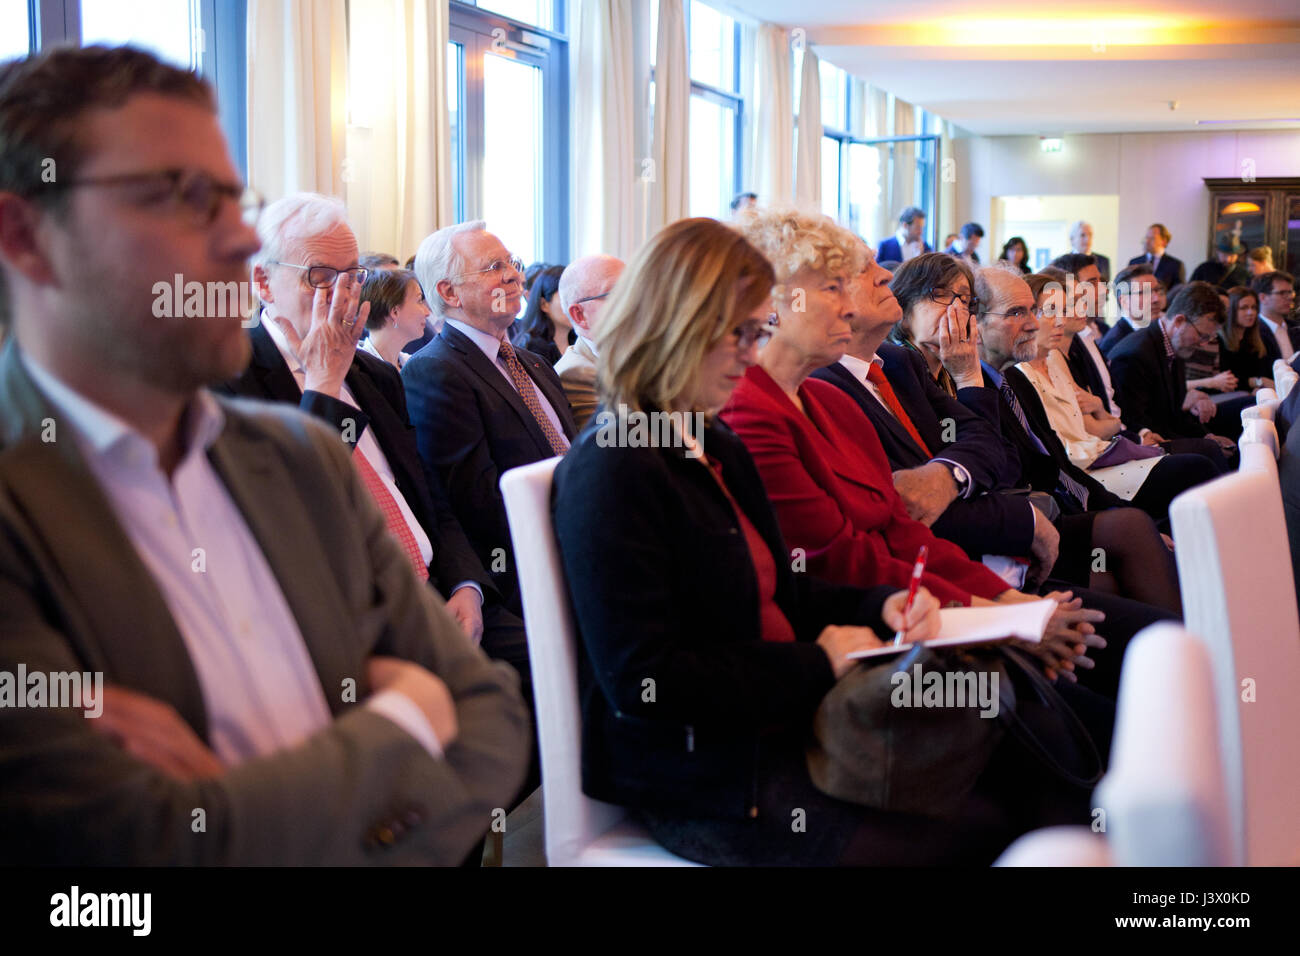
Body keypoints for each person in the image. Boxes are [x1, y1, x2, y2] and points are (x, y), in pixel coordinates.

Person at [0, 44, 528, 864]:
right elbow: (133, 858)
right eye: (180, 198)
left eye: (233, 200)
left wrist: (238, 793)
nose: (239, 244)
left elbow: (493, 721)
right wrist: (409, 717)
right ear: (26, 237)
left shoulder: (296, 456)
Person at [553, 216, 1095, 867]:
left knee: (1025, 736)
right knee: (1003, 809)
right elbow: (649, 682)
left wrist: (880, 608)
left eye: (759, 331)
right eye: (740, 334)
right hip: (711, 772)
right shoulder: (615, 465)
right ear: (676, 325)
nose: (752, 353)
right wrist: (821, 662)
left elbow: (789, 582)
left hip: (782, 714)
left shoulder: (708, 440)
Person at [815, 248, 1180, 613]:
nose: (959, 310)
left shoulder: (905, 364)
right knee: (1132, 544)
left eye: (965, 299)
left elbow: (998, 454)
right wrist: (1023, 524)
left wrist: (951, 470)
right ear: (906, 310)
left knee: (1133, 551)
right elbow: (916, 503)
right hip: (959, 559)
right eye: (942, 295)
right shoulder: (888, 370)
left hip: (1002, 532)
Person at [404, 221, 578, 617]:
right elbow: (477, 501)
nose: (515, 275)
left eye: (512, 263)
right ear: (449, 292)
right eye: (493, 267)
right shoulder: (435, 370)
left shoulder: (533, 363)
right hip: (524, 573)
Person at [1007, 274, 1220, 522]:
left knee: (1200, 461)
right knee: (1196, 466)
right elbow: (1062, 447)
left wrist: (1104, 418)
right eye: (1052, 310)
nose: (1061, 320)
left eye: (1064, 308)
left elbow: (1100, 422)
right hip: (1085, 469)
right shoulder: (1021, 375)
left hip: (1101, 452)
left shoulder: (1054, 360)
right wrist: (1115, 441)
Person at [1107, 281, 1238, 464]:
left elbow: (1175, 413)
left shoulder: (1172, 344)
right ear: (1179, 321)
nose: (1203, 344)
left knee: (1225, 444)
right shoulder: (1135, 355)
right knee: (1209, 454)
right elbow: (1135, 420)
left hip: (1161, 433)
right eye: (1202, 336)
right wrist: (1198, 442)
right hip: (1140, 444)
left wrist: (1207, 436)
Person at [553, 253, 625, 429]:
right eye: (617, 293)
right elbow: (616, 444)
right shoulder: (576, 372)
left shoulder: (641, 355)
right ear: (579, 315)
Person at [358, 267, 429, 371]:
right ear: (395, 312)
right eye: (419, 301)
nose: (427, 313)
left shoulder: (412, 365)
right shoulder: (358, 369)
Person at [1099, 262, 1162, 358]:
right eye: (1145, 292)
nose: (1156, 299)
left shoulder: (1161, 333)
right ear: (1124, 301)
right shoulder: (1114, 344)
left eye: (1157, 290)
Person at [511, 264, 569, 365]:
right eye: (566, 297)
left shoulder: (579, 341)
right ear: (544, 304)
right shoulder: (533, 348)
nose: (575, 304)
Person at [1219, 286, 1274, 393]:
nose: (1251, 312)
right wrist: (1257, 382)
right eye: (1244, 308)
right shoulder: (1219, 341)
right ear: (1230, 311)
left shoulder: (1259, 339)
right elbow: (1225, 380)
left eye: (1253, 307)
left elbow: (1266, 373)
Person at [1253, 270, 1298, 365]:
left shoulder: (1295, 328)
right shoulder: (1252, 331)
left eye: (1290, 292)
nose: (1289, 297)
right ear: (1263, 298)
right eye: (1282, 293)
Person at [1127, 222, 1185, 292]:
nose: (1147, 242)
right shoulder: (1134, 263)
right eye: (1146, 238)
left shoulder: (1176, 265)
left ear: (1164, 241)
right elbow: (1128, 290)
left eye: (1152, 238)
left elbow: (1177, 294)